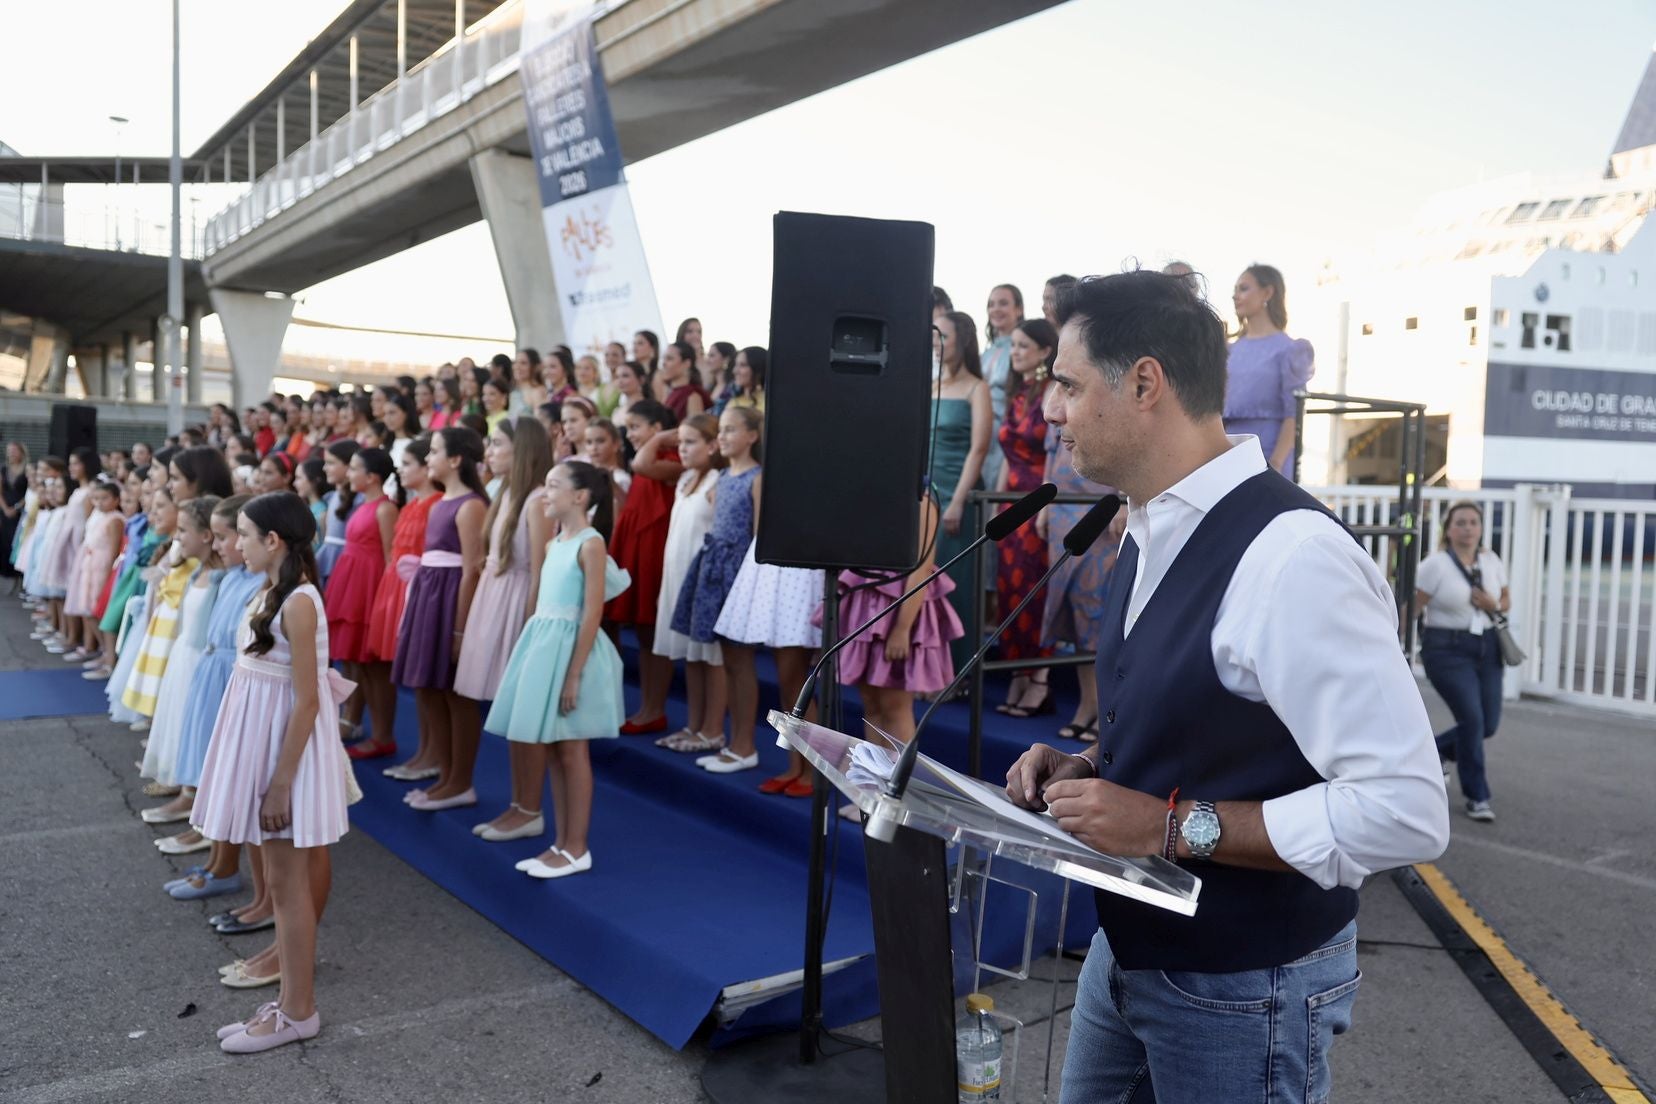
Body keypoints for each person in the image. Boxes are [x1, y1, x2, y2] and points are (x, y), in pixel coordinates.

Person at [1003, 270, 1449, 1103]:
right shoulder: (1145, 522)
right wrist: (1098, 765)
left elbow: (1404, 809)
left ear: (1144, 382)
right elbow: (1218, 721)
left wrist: (1167, 824)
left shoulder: (1293, 557)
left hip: (1246, 983)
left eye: (1065, 383)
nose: (1050, 411)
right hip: (1132, 947)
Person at [192, 492, 356, 1053]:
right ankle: (289, 1002)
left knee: (288, 890)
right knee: (284, 887)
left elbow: (308, 701)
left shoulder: (300, 602)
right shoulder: (271, 591)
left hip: (286, 758)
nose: (235, 543)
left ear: (273, 541)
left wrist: (281, 782)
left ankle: (299, 1011)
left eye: (242, 533)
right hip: (264, 748)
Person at [485, 460, 630, 878]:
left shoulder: (591, 542)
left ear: (580, 496)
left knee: (572, 749)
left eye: (553, 486)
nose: (545, 494)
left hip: (573, 655)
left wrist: (573, 673)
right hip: (545, 648)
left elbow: (592, 611)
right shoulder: (553, 542)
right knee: (552, 748)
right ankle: (561, 843)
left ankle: (577, 847)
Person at [167, 495, 266, 911]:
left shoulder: (256, 582)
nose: (227, 546)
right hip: (214, 673)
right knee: (212, 775)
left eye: (232, 536)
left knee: (226, 779)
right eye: (228, 537)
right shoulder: (230, 577)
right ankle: (215, 859)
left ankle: (226, 865)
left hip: (231, 676)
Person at [458, 418, 555, 839]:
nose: (489, 451)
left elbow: (538, 570)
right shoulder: (505, 495)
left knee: (523, 715)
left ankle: (530, 808)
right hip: (494, 601)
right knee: (510, 714)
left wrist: (529, 628)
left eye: (497, 444)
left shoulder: (535, 500)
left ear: (522, 451)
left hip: (518, 607)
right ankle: (518, 804)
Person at [392, 426, 489, 811]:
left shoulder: (471, 505)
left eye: (434, 452)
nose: (428, 458)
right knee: (428, 687)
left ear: (456, 459)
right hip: (428, 594)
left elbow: (471, 570)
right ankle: (445, 776)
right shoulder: (439, 502)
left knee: (455, 693)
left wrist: (460, 628)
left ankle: (461, 781)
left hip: (450, 598)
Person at [827, 493, 960, 747]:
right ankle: (874, 782)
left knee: (894, 704)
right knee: (871, 703)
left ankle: (898, 784)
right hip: (865, 600)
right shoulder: (869, 490)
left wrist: (902, 628)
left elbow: (922, 568)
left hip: (901, 604)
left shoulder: (922, 499)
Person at [674, 407, 763, 772]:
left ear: (752, 436)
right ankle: (734, 740)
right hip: (713, 568)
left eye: (730, 430)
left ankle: (745, 745)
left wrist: (749, 581)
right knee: (727, 660)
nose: (722, 437)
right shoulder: (723, 477)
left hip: (739, 572)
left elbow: (758, 537)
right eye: (721, 431)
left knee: (740, 662)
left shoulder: (757, 478)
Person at [1413, 502, 1510, 822]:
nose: (1468, 528)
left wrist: (1494, 603)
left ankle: (1435, 752)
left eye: (1473, 522)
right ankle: (1477, 796)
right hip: (1447, 649)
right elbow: (1413, 607)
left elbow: (1506, 598)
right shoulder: (1436, 565)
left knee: (1488, 723)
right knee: (1472, 719)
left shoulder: (1490, 559)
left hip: (1487, 647)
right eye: (1461, 523)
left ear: (1481, 528)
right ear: (1448, 529)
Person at [993, 318, 1057, 717]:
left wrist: (1047, 504)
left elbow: (1053, 450)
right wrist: (998, 504)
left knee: (1036, 592)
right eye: (1013, 345)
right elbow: (1007, 453)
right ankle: (1017, 673)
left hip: (1039, 499)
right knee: (1008, 593)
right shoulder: (1016, 394)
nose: (1014, 352)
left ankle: (1040, 680)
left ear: (1044, 351)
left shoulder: (1053, 391)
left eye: (1022, 346)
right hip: (1010, 501)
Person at [362, 438, 440, 766]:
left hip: (418, 590)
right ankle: (425, 751)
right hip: (397, 587)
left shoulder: (436, 503)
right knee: (413, 679)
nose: (401, 470)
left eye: (408, 464)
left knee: (425, 680)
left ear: (426, 468)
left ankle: (434, 754)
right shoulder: (408, 505)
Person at [608, 400, 682, 735]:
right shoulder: (648, 461)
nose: (630, 433)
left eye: (636, 426)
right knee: (643, 633)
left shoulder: (669, 460)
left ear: (657, 428)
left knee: (654, 634)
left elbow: (641, 464)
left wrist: (663, 437)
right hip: (637, 548)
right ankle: (647, 707)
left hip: (655, 554)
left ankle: (655, 708)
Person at [652, 414, 725, 754]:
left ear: (712, 445)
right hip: (676, 576)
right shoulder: (685, 480)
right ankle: (694, 725)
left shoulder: (717, 481)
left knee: (711, 657)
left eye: (690, 442)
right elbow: (642, 460)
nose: (681, 449)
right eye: (679, 442)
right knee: (690, 657)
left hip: (703, 581)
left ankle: (713, 729)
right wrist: (668, 436)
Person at [325, 448, 398, 755]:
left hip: (369, 590)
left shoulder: (385, 509)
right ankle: (360, 723)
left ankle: (383, 735)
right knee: (358, 664)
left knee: (375, 668)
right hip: (352, 586)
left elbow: (389, 556)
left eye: (355, 468)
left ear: (372, 477)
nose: (350, 473)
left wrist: (383, 601)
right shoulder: (362, 504)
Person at [930, 311, 991, 673]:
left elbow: (978, 449)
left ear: (963, 340)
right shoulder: (932, 385)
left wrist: (956, 501)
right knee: (924, 584)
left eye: (944, 336)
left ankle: (957, 672)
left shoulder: (976, 388)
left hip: (958, 497)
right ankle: (929, 667)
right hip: (927, 496)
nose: (937, 345)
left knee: (955, 584)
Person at [1225, 264, 1314, 478]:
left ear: (1267, 292)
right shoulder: (1228, 350)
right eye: (1235, 290)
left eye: (1243, 288)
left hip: (1267, 454)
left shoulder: (1291, 350)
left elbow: (1293, 414)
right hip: (1225, 453)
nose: (1235, 296)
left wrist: (1275, 464)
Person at [980, 284, 1024, 489]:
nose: (996, 309)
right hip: (981, 431)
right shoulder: (985, 354)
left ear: (1019, 309)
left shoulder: (1023, 353)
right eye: (991, 304)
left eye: (1003, 303)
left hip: (1006, 431)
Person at [316, 441, 360, 590]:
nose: (324, 468)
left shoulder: (360, 499)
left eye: (331, 463)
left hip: (345, 562)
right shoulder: (332, 496)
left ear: (348, 466)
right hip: (328, 557)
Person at [658, 340, 711, 420]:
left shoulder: (693, 395)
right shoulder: (671, 392)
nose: (663, 363)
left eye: (669, 359)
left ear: (686, 363)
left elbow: (694, 430)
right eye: (663, 358)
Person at [1, 441, 29, 584]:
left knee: (17, 540)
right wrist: (5, 508)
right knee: (5, 540)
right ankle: (8, 573)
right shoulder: (3, 469)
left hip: (21, 511)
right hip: (5, 512)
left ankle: (18, 574)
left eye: (14, 450)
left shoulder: (26, 470)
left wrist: (17, 507)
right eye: (9, 450)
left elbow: (30, 492)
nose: (11, 453)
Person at [722, 346, 766, 414]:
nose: (735, 371)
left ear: (758, 369)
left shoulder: (769, 402)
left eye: (742, 365)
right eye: (736, 365)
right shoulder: (732, 399)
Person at [509, 348, 549, 417]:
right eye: (515, 362)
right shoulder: (514, 392)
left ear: (536, 367)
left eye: (523, 363)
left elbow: (540, 421)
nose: (517, 367)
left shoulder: (537, 391)